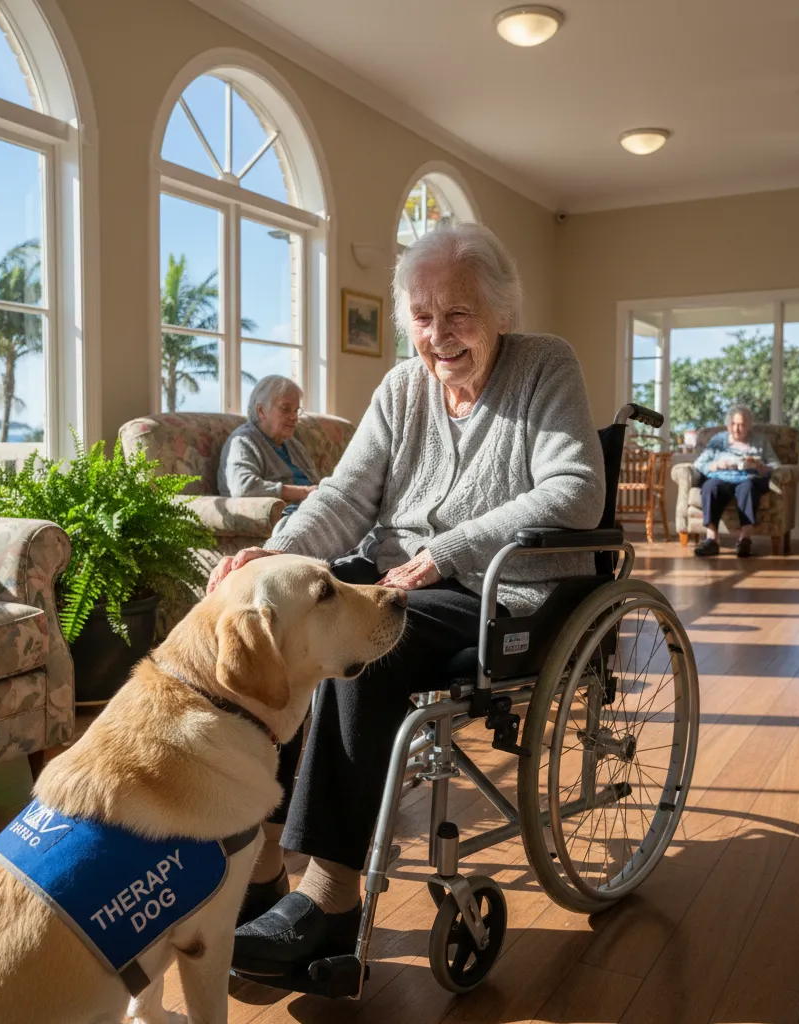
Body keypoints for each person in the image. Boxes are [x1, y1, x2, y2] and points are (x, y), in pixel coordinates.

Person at [208, 223, 605, 972]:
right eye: (422, 317)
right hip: (393, 578)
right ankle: (260, 864)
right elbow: (345, 495)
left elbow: (577, 492)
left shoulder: (545, 365)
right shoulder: (400, 388)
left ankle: (330, 897)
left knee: (360, 647)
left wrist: (446, 550)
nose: (439, 335)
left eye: (459, 314)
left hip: (498, 588)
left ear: (501, 312)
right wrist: (277, 555)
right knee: (281, 630)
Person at [218, 375, 319, 517]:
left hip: (314, 510)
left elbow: (316, 483)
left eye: (296, 411)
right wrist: (305, 492)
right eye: (285, 409)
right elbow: (243, 487)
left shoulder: (294, 445)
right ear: (261, 411)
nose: (294, 417)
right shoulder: (243, 441)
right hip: (289, 516)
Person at [691, 405, 780, 558]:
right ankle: (712, 540)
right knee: (710, 487)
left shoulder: (760, 441)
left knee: (748, 488)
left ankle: (745, 540)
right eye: (733, 424)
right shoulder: (718, 440)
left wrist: (761, 467)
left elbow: (775, 465)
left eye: (742, 425)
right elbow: (699, 464)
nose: (737, 429)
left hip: (748, 478)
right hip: (721, 477)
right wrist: (715, 465)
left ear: (749, 425)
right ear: (728, 425)